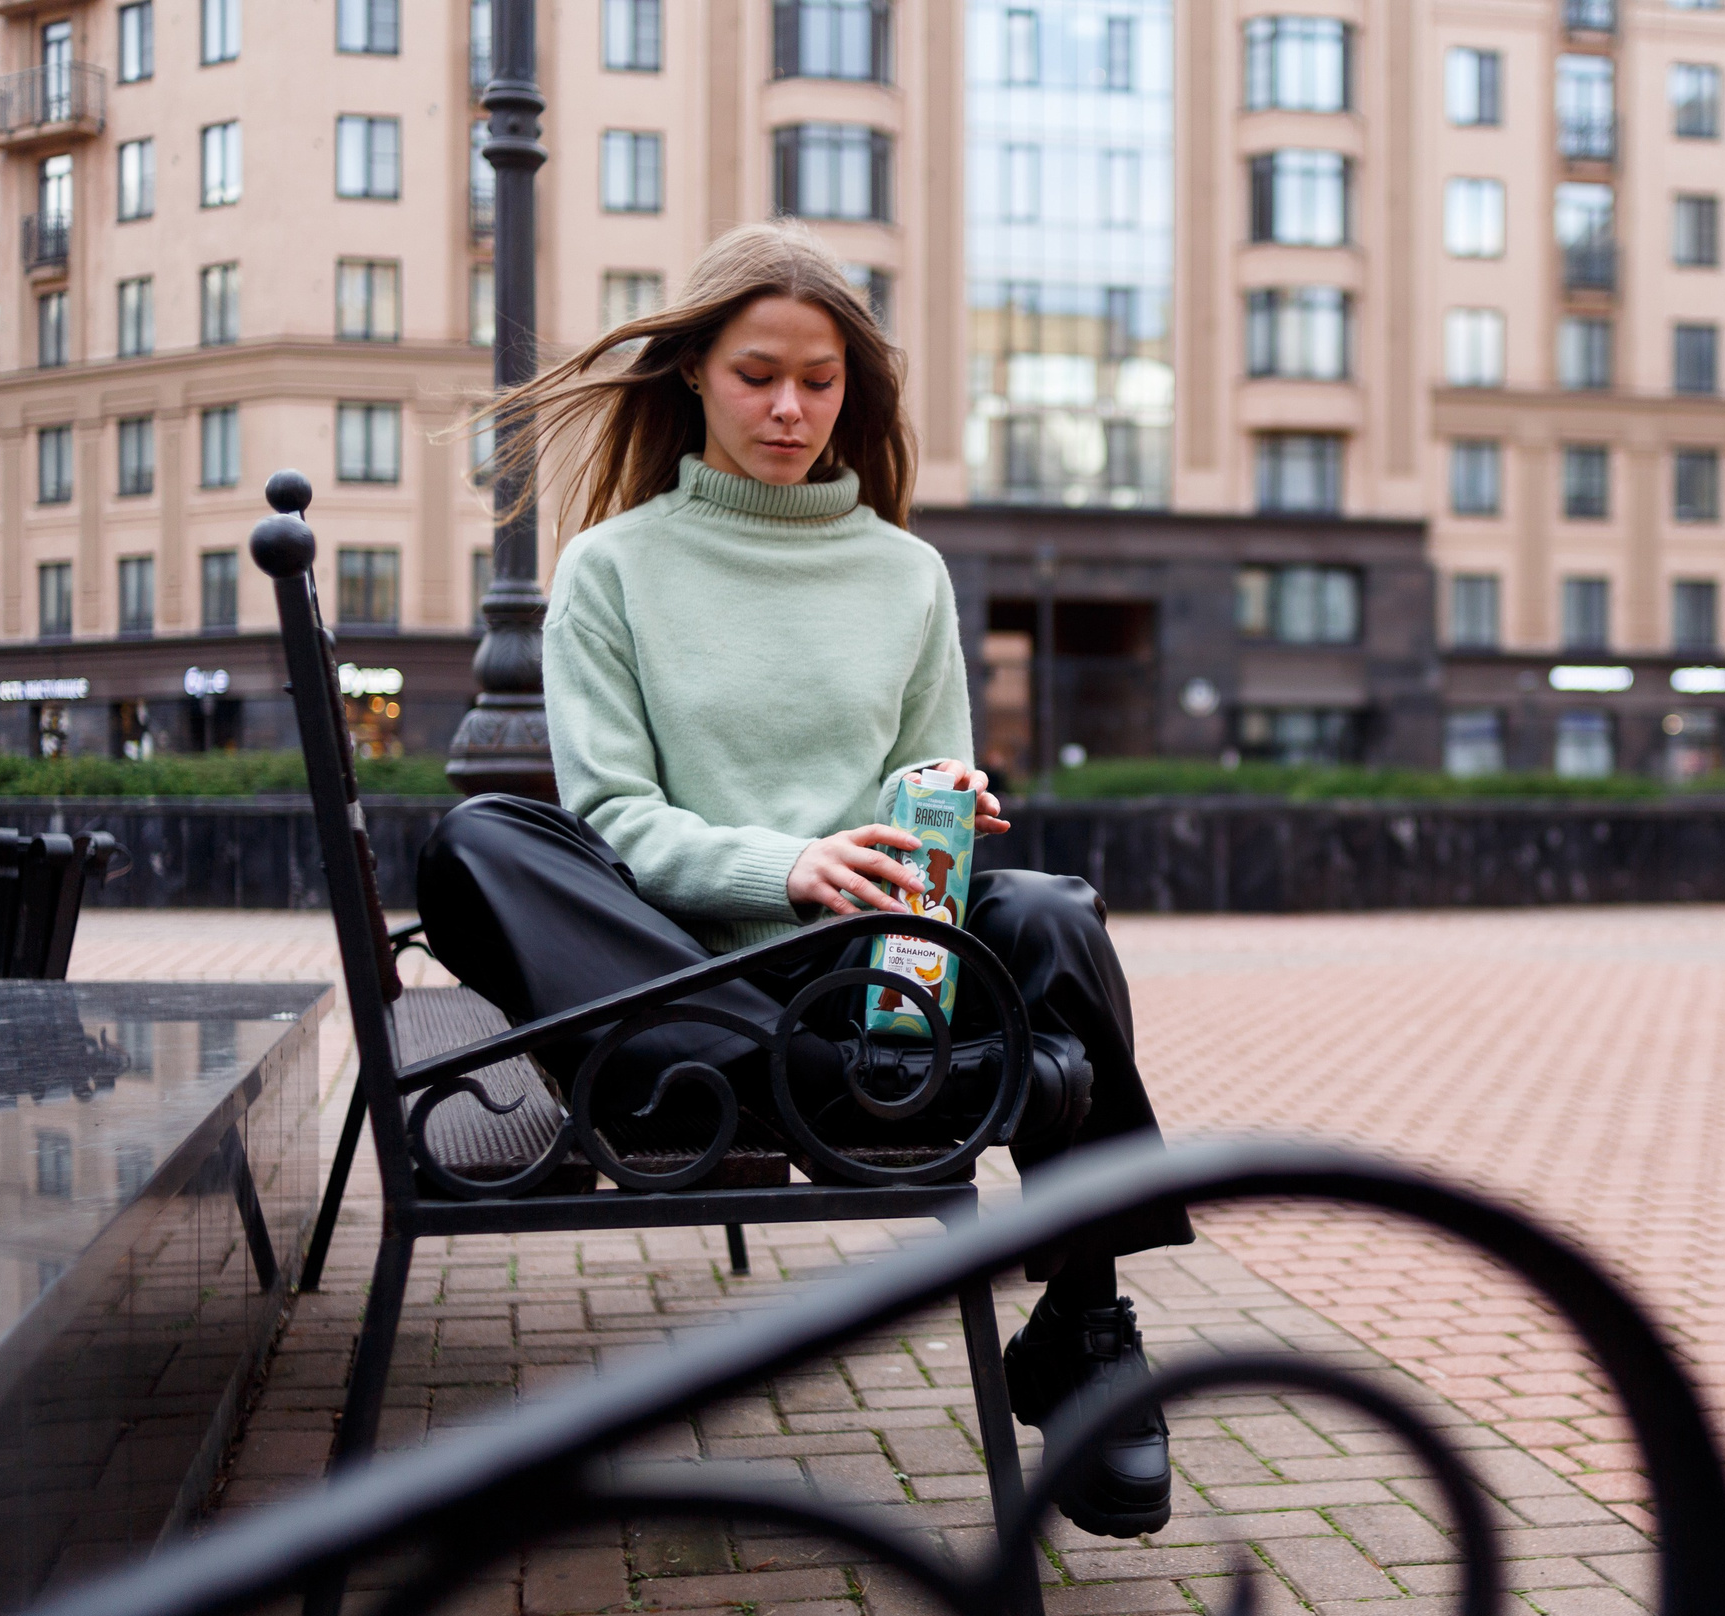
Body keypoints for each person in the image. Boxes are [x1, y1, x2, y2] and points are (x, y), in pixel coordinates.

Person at [415, 221, 1190, 1538]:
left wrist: (938, 820)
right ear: (694, 375)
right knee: (483, 839)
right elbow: (613, 819)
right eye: (756, 375)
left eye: (818, 381)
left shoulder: (907, 574)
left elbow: (921, 795)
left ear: (851, 390)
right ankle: (890, 1082)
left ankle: (1085, 1317)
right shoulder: (612, 567)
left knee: (1049, 912)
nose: (789, 407)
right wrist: (788, 864)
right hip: (679, 976)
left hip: (872, 979)